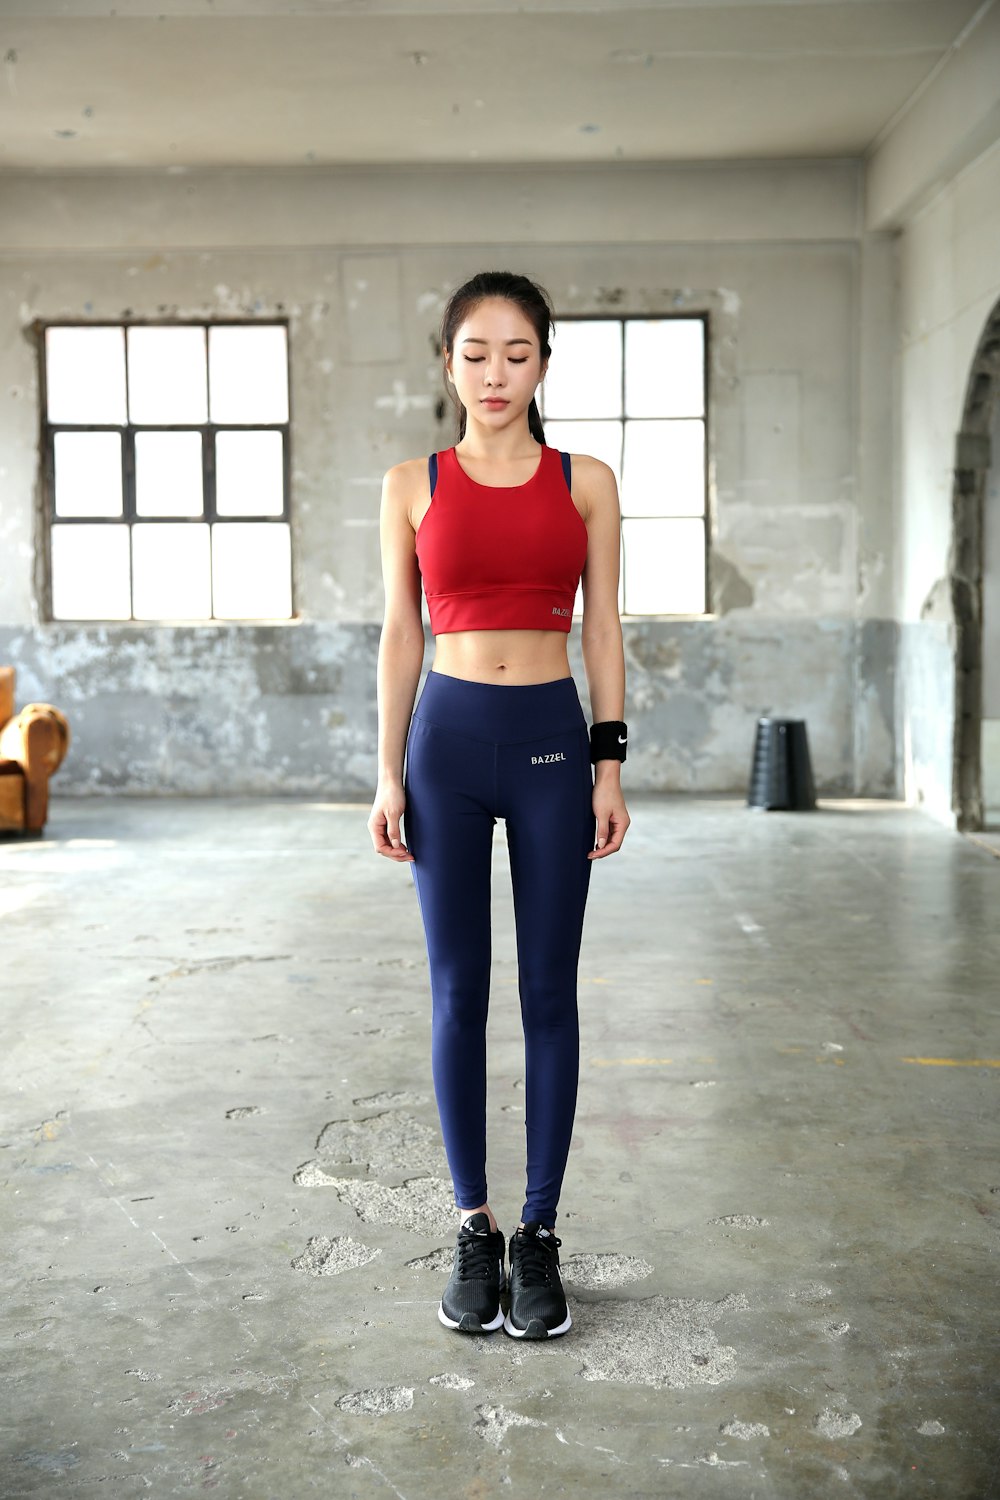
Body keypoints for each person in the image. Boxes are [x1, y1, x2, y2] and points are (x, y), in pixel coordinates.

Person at [367, 270, 630, 1340]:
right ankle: (472, 1228)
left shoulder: (585, 481)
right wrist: (386, 772)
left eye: (515, 353)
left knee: (548, 994)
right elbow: (400, 634)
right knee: (455, 992)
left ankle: (539, 1236)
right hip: (443, 747)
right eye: (474, 353)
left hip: (551, 748)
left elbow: (603, 630)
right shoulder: (410, 483)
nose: (493, 374)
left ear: (543, 364)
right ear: (447, 363)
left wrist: (609, 764)